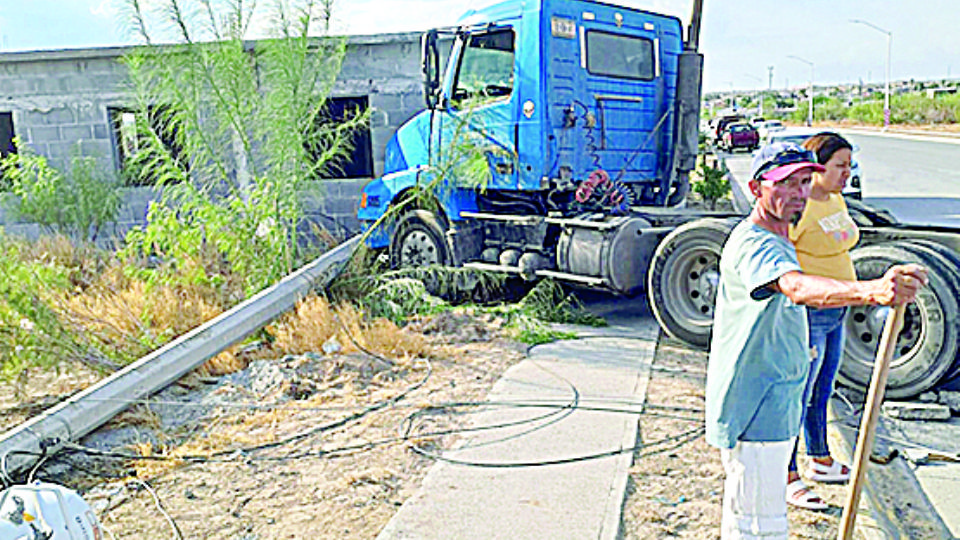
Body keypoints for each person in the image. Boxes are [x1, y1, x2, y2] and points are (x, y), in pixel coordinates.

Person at [705, 141, 927, 540]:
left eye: (805, 181)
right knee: (754, 523)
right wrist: (872, 291)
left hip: (773, 397)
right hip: (754, 404)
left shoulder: (780, 235)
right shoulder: (756, 243)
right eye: (785, 183)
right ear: (757, 188)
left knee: (763, 515)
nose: (798, 193)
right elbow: (795, 287)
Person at [785, 132, 859, 511]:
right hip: (811, 313)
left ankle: (820, 458)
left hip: (839, 310)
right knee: (796, 394)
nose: (847, 173)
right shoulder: (800, 207)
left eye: (849, 164)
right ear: (818, 166)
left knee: (822, 391)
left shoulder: (836, 198)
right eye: (839, 166)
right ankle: (788, 474)